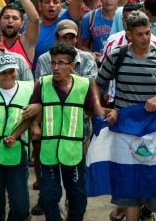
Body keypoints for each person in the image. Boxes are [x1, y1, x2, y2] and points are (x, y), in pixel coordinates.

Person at [93, 12, 156, 221]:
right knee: (128, 179)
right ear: (129, 35)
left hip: (154, 128)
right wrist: (100, 109)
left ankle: (146, 212)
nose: (145, 38)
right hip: (124, 128)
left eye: (148, 33)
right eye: (140, 34)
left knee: (151, 176)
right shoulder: (117, 55)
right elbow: (97, 83)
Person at [29, 43, 113, 221]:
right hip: (49, 150)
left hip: (74, 150)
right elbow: (33, 109)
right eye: (53, 63)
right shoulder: (42, 84)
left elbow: (92, 109)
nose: (55, 67)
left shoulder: (83, 85)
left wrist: (108, 113)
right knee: (48, 196)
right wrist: (34, 125)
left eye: (61, 63)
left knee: (77, 196)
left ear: (72, 66)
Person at [0, 53, 38, 221]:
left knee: (20, 205)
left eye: (11, 71)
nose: (8, 76)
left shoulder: (29, 88)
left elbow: (34, 113)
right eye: (2, 72)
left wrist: (17, 134)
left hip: (16, 153)